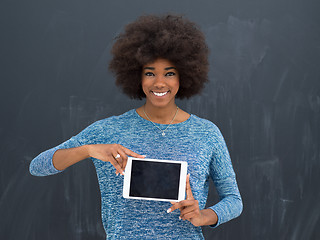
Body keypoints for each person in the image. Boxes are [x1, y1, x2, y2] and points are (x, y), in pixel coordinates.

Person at [29, 14, 243, 239]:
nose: (159, 83)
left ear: (185, 76)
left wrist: (203, 216)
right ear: (136, 77)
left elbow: (234, 200)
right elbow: (38, 166)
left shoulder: (206, 133)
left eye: (169, 73)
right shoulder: (107, 131)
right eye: (150, 73)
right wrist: (89, 149)